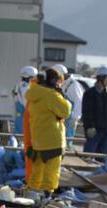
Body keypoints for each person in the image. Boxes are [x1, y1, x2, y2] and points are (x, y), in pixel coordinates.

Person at [26, 67, 71, 197]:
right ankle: (46, 197)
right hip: (53, 140)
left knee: (37, 171)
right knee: (51, 173)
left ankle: (31, 195)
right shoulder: (51, 95)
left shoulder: (33, 94)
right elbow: (65, 111)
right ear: (53, 81)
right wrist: (61, 96)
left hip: (38, 139)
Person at [82, 65, 107, 157]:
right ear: (101, 78)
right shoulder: (90, 94)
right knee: (88, 157)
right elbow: (86, 111)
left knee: (102, 160)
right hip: (94, 131)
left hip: (106, 132)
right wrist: (89, 126)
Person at [53, 64, 84, 144]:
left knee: (67, 142)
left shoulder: (73, 85)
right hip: (63, 117)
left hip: (70, 118)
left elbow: (78, 102)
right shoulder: (63, 84)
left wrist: (75, 118)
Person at [13, 65, 38, 135]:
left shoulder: (18, 86)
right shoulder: (26, 88)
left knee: (18, 137)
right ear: (30, 77)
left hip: (19, 117)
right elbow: (27, 103)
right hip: (25, 118)